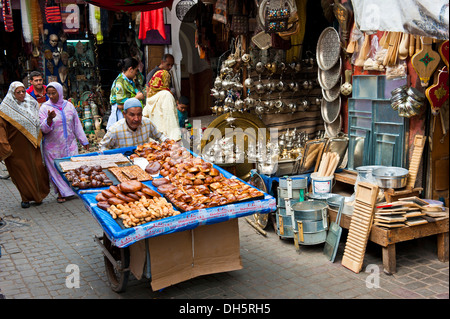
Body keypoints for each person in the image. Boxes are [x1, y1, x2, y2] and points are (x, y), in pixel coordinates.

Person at [0, 81, 50, 208]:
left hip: (33, 146)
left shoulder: (31, 103)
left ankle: (38, 195)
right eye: (18, 92)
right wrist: (5, 146)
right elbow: (1, 129)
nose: (22, 94)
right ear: (12, 93)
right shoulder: (5, 109)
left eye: (23, 91)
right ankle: (25, 198)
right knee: (21, 173)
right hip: (16, 149)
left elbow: (38, 121)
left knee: (37, 169)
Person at [39, 82, 89, 203]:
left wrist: (84, 141)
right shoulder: (44, 108)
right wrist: (49, 119)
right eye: (48, 93)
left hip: (70, 144)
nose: (51, 96)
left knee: (71, 167)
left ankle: (71, 191)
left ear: (60, 92)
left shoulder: (69, 106)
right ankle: (61, 193)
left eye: (53, 93)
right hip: (53, 147)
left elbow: (76, 124)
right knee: (56, 170)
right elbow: (43, 129)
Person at [99, 97, 170, 151]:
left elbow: (160, 136)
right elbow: (102, 147)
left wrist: (169, 143)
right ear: (124, 114)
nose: (136, 119)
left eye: (139, 114)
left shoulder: (147, 123)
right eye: (132, 115)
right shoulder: (115, 130)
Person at [106, 58, 145, 130]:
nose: (136, 73)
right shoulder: (120, 82)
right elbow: (120, 105)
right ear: (131, 69)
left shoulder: (128, 81)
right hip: (120, 116)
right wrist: (137, 98)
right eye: (136, 70)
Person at [143, 69, 181, 141]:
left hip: (154, 137)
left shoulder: (150, 97)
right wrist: (175, 139)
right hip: (165, 138)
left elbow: (145, 114)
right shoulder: (166, 95)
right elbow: (170, 118)